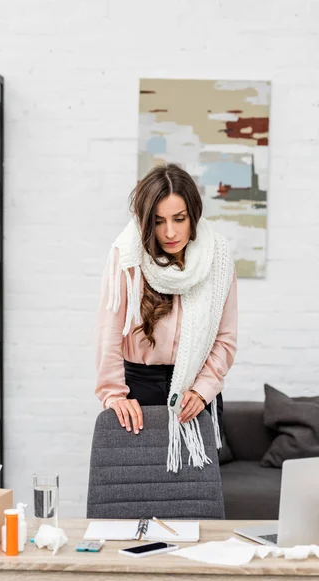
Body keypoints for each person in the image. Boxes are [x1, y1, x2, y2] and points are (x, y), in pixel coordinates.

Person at [95, 163, 237, 472]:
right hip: (139, 389)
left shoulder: (218, 257)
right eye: (158, 221)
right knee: (139, 489)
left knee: (196, 498)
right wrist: (114, 395)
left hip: (197, 393)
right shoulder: (127, 255)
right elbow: (109, 332)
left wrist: (202, 390)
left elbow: (225, 338)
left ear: (193, 216)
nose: (170, 232)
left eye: (179, 219)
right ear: (146, 222)